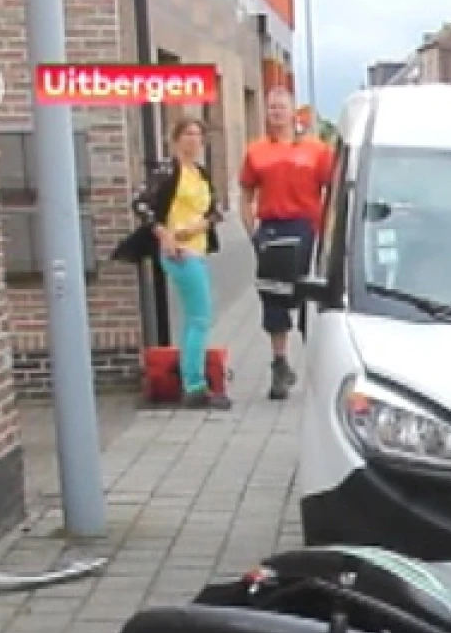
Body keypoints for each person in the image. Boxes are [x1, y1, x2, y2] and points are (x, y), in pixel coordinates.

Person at [239, 88, 333, 401]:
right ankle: (279, 366)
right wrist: (252, 232)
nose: (276, 112)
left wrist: (329, 232)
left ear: (294, 112)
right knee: (273, 297)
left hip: (306, 229)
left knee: (310, 297)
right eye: (271, 108)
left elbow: (331, 191)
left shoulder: (316, 150)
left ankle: (318, 370)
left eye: (281, 107)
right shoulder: (256, 151)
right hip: (272, 229)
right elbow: (245, 195)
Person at [130, 118, 227, 410]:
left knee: (195, 318)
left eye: (198, 135)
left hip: (197, 248)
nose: (193, 140)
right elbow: (141, 204)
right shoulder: (168, 170)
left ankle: (190, 379)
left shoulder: (201, 174)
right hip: (178, 252)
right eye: (187, 134)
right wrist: (164, 234)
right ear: (175, 139)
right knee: (201, 317)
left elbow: (215, 210)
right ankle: (195, 385)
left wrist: (201, 225)